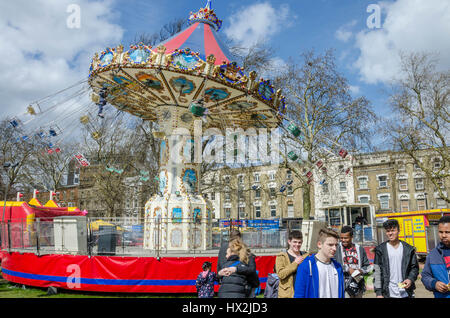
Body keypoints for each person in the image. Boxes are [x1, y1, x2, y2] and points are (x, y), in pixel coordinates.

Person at [294, 228, 345, 298]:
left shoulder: (338, 267)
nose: (334, 248)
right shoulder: (306, 266)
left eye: (336, 245)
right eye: (330, 245)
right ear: (319, 244)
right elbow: (299, 295)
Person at [374, 219, 419, 298]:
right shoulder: (380, 250)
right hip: (388, 293)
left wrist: (410, 279)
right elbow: (377, 272)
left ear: (398, 231)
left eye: (393, 230)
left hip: (405, 292)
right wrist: (379, 293)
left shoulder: (408, 249)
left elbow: (414, 268)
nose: (390, 233)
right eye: (388, 231)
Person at [218, 228, 258, 296]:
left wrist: (220, 274)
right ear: (240, 237)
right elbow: (252, 270)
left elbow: (219, 267)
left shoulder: (223, 249)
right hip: (242, 287)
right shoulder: (244, 249)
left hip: (225, 288)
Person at [335, 226, 372, 298]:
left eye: (346, 238)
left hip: (358, 285)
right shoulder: (337, 249)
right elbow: (334, 265)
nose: (343, 240)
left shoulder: (360, 249)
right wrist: (348, 269)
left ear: (352, 237)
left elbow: (368, 266)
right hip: (343, 286)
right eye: (341, 238)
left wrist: (360, 271)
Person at [421, 216, 450, 298]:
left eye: (447, 232)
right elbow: (425, 276)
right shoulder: (432, 255)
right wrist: (434, 284)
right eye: (441, 232)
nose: (443, 235)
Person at [275, 230, 307, 298]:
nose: (297, 245)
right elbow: (281, 274)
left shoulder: (305, 255)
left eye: (299, 242)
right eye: (295, 242)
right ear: (289, 241)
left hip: (302, 293)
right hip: (287, 295)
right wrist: (295, 263)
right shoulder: (281, 257)